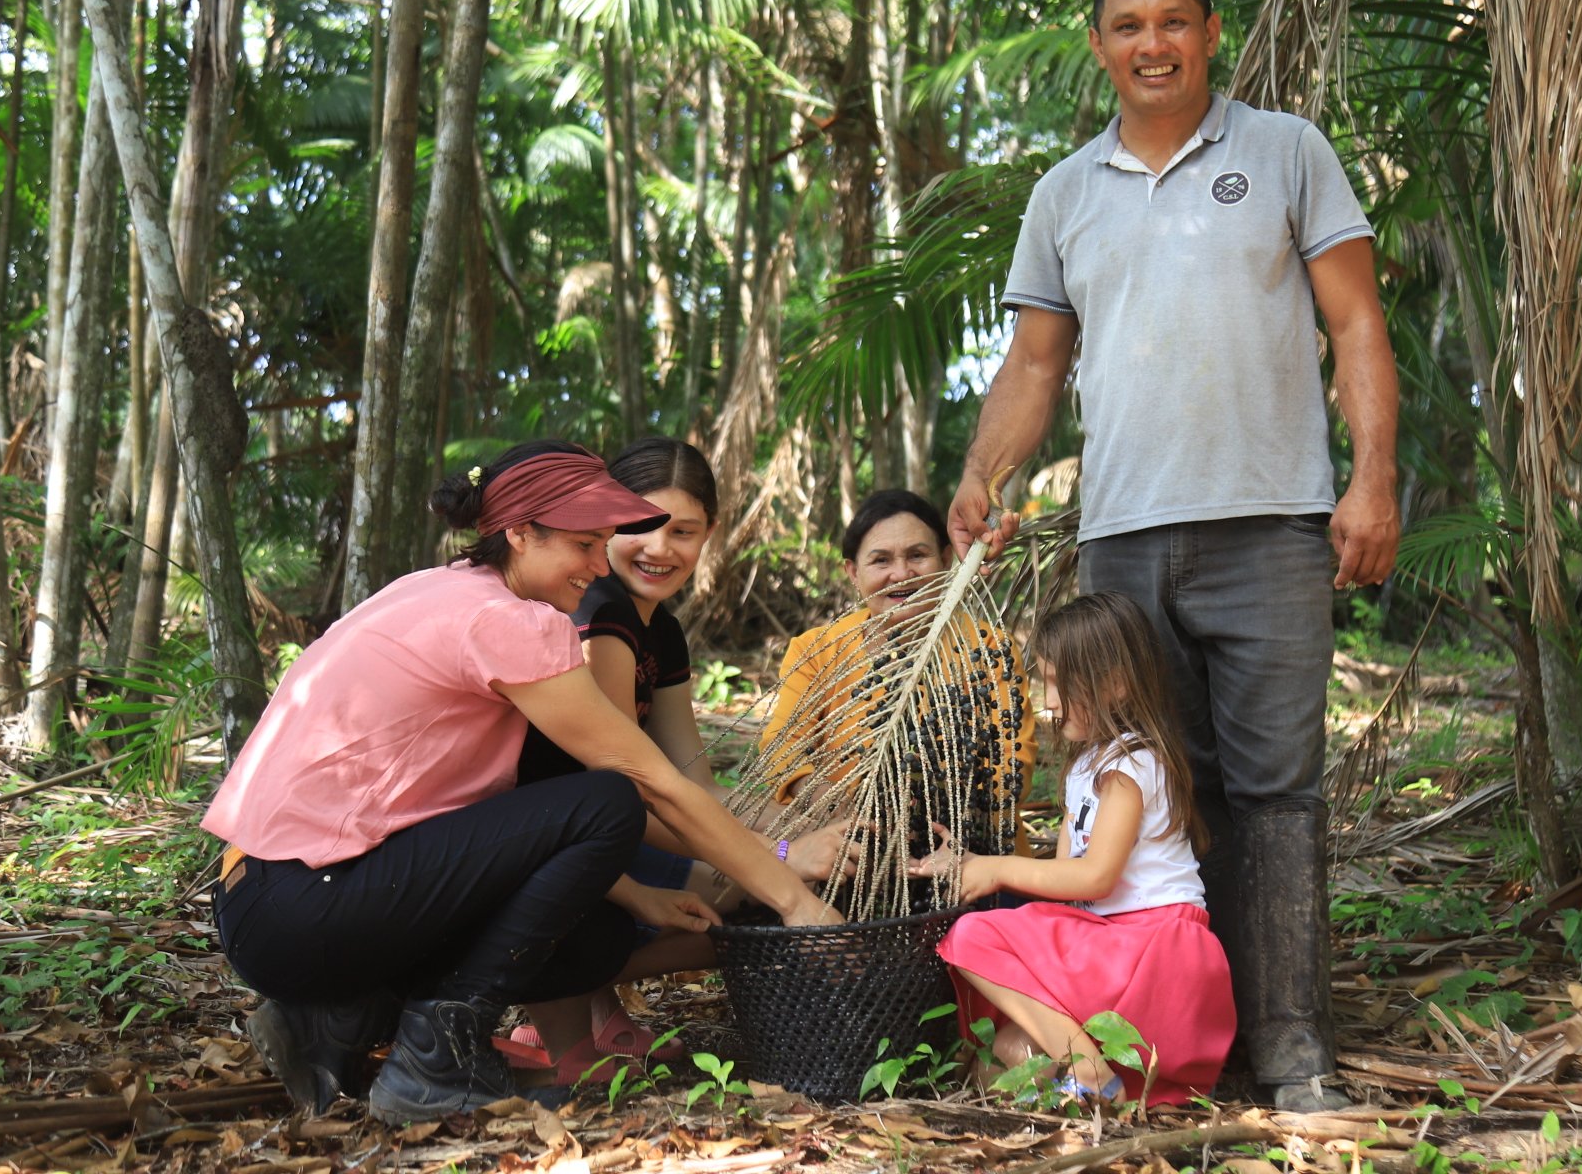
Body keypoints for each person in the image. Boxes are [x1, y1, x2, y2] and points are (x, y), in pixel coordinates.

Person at [947, 0, 1400, 1111]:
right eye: (1127, 25)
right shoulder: (1064, 194)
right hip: (1127, 539)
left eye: (1174, 22)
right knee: (1158, 787)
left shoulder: (1287, 152)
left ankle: (1293, 1047)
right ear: (1098, 45)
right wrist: (983, 472)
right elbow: (1036, 365)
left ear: (1210, 32)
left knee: (1276, 791)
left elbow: (1354, 323)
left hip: (1274, 526)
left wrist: (1375, 477)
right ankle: (1181, 1036)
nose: (1153, 43)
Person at [203, 442, 839, 1124]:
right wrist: (793, 898)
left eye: (604, 544)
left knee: (588, 938)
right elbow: (647, 782)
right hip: (303, 901)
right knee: (608, 800)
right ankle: (433, 1059)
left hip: (265, 899)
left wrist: (637, 893)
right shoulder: (510, 621)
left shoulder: (437, 587)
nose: (600, 566)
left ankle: (340, 1021)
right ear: (518, 532)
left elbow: (482, 817)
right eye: (583, 545)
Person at [502, 439, 857, 1080]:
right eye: (638, 525)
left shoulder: (659, 627)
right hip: (554, 835)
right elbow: (622, 791)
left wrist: (789, 833)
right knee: (738, 893)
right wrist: (772, 858)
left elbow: (694, 777)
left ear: (709, 534)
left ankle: (590, 1006)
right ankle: (555, 992)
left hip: (606, 830)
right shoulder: (600, 613)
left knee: (750, 876)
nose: (659, 547)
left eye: (683, 531)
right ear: (604, 522)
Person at [907, 592, 1234, 1107]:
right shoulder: (1086, 767)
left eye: (1059, 683)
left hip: (1154, 957)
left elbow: (1096, 878)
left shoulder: (1131, 763)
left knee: (971, 937)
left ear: (1116, 684)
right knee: (999, 1056)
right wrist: (969, 864)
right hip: (1106, 950)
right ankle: (1096, 1094)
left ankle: (1085, 1068)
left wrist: (995, 870)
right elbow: (1065, 878)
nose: (1050, 700)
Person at [759, 489, 1037, 864]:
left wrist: (943, 815)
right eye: (881, 560)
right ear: (853, 573)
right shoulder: (817, 651)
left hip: (972, 858)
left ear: (944, 560)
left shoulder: (988, 646)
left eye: (917, 556)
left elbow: (1013, 763)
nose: (901, 573)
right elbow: (782, 752)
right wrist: (836, 804)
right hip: (851, 855)